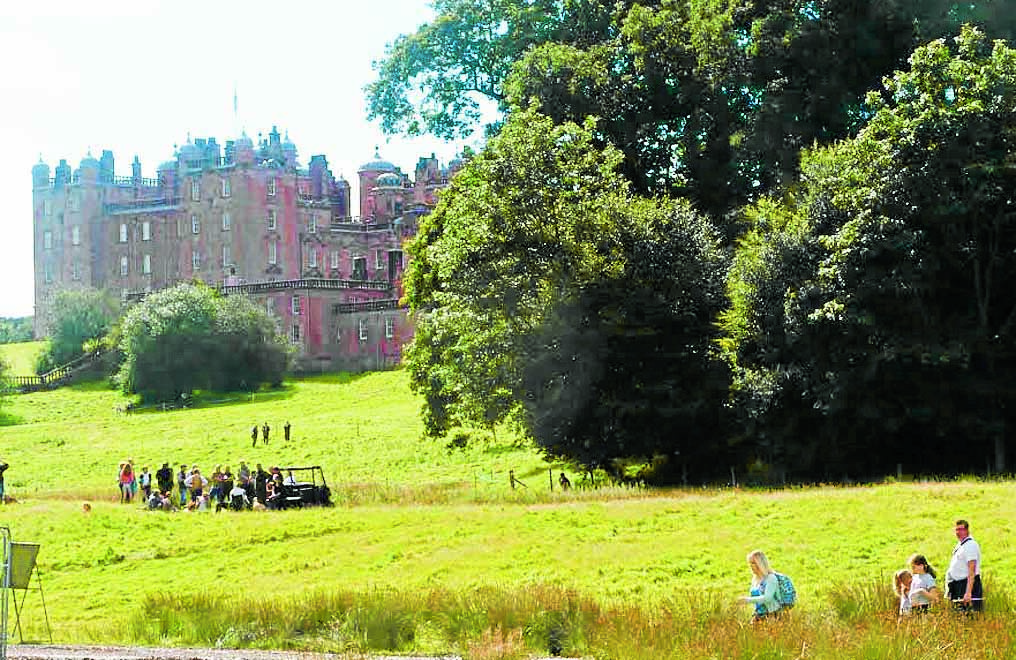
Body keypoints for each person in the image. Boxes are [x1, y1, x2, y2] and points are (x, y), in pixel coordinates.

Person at [946, 519, 983, 611]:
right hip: (957, 585)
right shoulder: (960, 545)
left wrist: (968, 592)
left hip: (966, 584)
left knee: (968, 614)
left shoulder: (970, 545)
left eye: (961, 529)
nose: (958, 532)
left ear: (967, 530)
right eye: (956, 530)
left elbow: (972, 570)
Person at [738, 550, 783, 621]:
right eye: (750, 563)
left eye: (753, 563)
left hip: (772, 615)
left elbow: (767, 598)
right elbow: (756, 599)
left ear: (760, 564)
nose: (750, 566)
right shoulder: (755, 579)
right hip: (758, 614)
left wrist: (747, 600)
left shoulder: (771, 578)